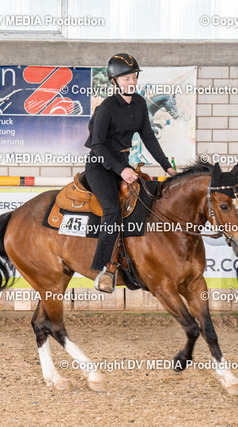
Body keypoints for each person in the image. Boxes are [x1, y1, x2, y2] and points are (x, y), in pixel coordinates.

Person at [84, 53, 177, 293]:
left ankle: (135, 264)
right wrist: (121, 170)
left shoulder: (139, 103)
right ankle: (103, 269)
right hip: (100, 165)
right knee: (113, 210)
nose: (132, 81)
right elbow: (97, 146)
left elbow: (148, 137)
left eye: (134, 76)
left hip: (123, 163)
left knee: (146, 204)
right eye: (126, 78)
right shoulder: (106, 108)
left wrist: (167, 166)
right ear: (114, 81)